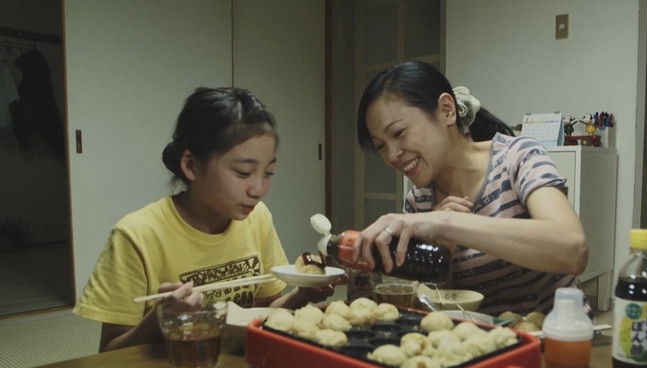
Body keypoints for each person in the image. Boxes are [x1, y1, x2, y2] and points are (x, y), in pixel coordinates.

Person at [73, 87, 335, 351]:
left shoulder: (258, 218)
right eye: (243, 172)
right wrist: (159, 320)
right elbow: (110, 351)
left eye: (268, 173)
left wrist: (303, 294)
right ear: (191, 166)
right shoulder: (136, 235)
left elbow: (265, 311)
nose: (258, 190)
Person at [353, 61, 588, 315]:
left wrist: (445, 222)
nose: (392, 155)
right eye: (381, 146)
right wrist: (444, 252)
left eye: (399, 133)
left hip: (554, 334)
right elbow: (437, 305)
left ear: (447, 110)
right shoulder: (418, 202)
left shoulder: (518, 157)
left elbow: (573, 249)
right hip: (479, 337)